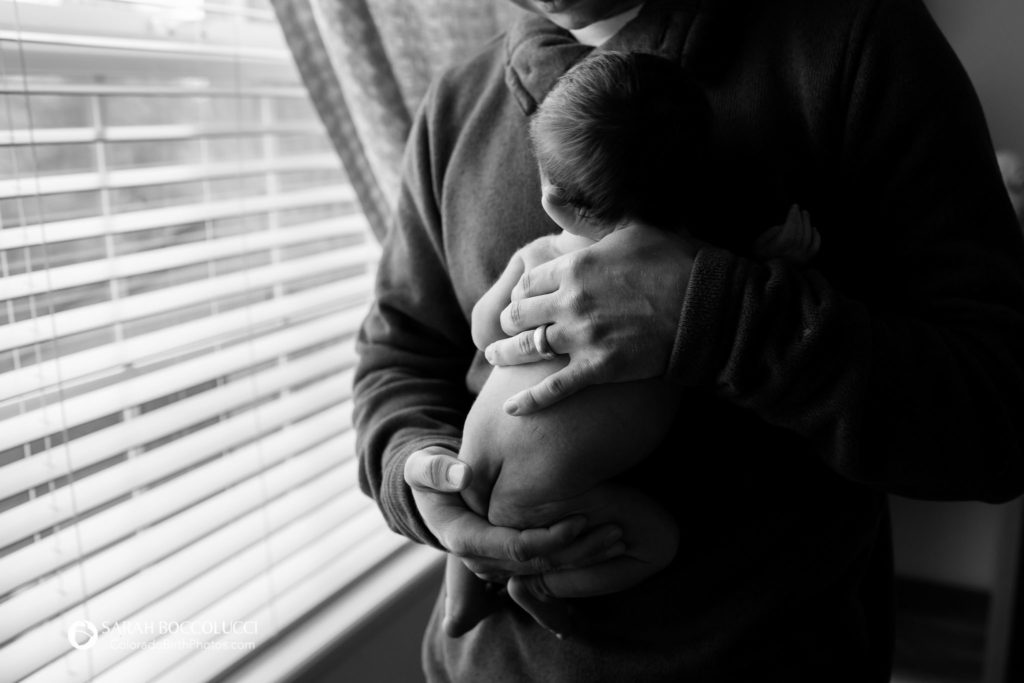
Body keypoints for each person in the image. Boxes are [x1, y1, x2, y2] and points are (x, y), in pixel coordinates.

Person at [354, 0, 1024, 680]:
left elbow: (1002, 412)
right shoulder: (453, 107)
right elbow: (398, 356)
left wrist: (709, 314)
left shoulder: (858, 42)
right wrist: (421, 479)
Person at [443, 50, 821, 638]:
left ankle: (460, 592)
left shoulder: (542, 255)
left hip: (469, 458)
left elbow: (483, 331)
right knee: (654, 543)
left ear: (552, 200)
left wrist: (510, 334)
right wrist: (782, 260)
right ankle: (540, 587)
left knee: (472, 512)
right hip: (548, 498)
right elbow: (744, 303)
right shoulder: (694, 272)